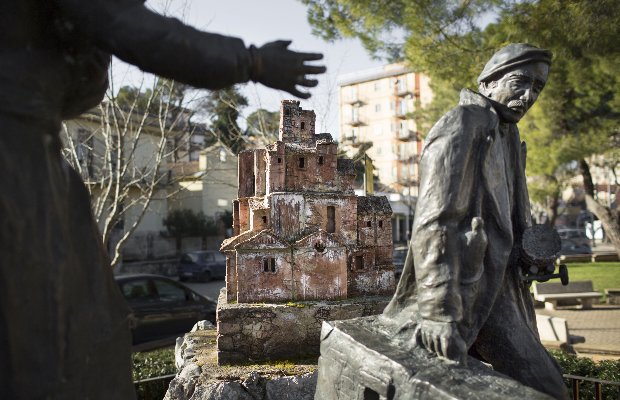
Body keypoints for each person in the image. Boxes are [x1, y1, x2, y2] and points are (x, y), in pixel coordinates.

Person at [0, 1, 324, 399]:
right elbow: (137, 29)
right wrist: (254, 62)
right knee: (64, 336)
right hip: (18, 156)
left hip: (29, 147)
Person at [384, 43, 569, 400]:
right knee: (549, 389)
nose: (529, 95)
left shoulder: (510, 135)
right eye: (520, 83)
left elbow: (507, 222)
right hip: (463, 290)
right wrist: (438, 311)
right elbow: (435, 220)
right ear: (488, 83)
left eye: (538, 88)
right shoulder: (465, 122)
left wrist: (528, 257)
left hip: (502, 291)